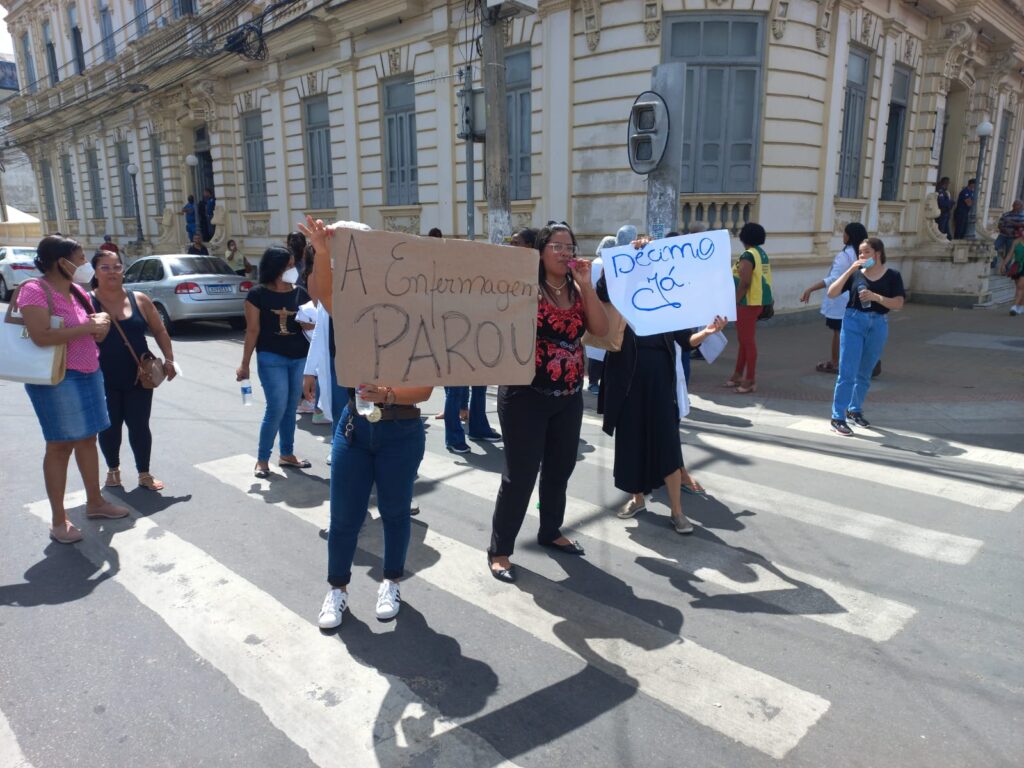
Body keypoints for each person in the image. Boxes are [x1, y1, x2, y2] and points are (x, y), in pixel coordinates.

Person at [300, 215, 434, 628]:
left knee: (395, 514)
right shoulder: (346, 305)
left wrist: (390, 393)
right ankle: (336, 590)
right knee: (343, 518)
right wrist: (323, 251)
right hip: (354, 429)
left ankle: (391, 582)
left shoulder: (415, 311)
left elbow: (426, 390)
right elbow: (319, 292)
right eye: (344, 258)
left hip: (402, 430)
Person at [486, 223, 609, 583]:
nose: (565, 252)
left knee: (559, 469)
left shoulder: (575, 288)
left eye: (569, 246)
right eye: (557, 246)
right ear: (540, 251)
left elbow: (600, 329)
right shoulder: (524, 288)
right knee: (519, 477)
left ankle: (550, 530)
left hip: (568, 398)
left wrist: (587, 285)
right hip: (526, 397)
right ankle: (500, 550)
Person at [598, 261, 727, 533]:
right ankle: (637, 499)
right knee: (631, 442)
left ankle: (677, 512)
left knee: (668, 445)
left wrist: (708, 332)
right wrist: (626, 258)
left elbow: (686, 340)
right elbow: (601, 290)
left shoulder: (668, 305)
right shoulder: (621, 296)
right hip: (627, 383)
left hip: (660, 383)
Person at [18, 235, 128, 544]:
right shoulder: (34, 290)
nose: (84, 264)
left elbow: (95, 334)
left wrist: (100, 322)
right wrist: (89, 327)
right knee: (59, 445)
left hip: (89, 372)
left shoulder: (78, 291)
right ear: (60, 261)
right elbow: (41, 335)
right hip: (57, 379)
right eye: (79, 258)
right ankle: (58, 520)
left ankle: (95, 502)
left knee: (87, 439)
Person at [90, 250, 177, 491]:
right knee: (109, 426)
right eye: (105, 267)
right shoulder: (87, 301)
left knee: (140, 425)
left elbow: (159, 330)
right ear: (95, 272)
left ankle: (144, 473)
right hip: (101, 377)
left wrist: (169, 359)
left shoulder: (139, 299)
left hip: (140, 375)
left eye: (117, 267)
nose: (112, 272)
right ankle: (113, 470)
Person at [235, 247, 312, 478]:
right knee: (276, 407)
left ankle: (286, 454)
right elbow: (252, 330)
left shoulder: (302, 293)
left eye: (293, 264)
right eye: (289, 265)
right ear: (277, 267)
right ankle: (262, 459)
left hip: (300, 357)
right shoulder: (257, 294)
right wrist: (244, 364)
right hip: (271, 358)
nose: (293, 269)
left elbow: (312, 326)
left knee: (290, 408)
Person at [827, 236, 905, 435]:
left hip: (878, 323)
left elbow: (898, 303)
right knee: (847, 371)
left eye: (866, 252)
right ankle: (838, 417)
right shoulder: (856, 275)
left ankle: (854, 410)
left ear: (877, 254)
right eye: (860, 252)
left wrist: (876, 297)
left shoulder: (893, 276)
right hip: (854, 321)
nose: (862, 256)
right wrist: (850, 270)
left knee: (865, 372)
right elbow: (831, 293)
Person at [800, 222, 868, 374]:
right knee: (856, 332)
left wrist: (811, 288)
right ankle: (862, 362)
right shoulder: (865, 255)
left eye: (844, 233)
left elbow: (833, 279)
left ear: (850, 236)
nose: (842, 236)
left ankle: (835, 362)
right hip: (859, 300)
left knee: (838, 332)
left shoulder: (844, 256)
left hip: (841, 301)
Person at [727, 223, 771, 394]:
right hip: (756, 302)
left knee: (747, 342)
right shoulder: (761, 253)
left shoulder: (748, 255)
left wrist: (734, 302)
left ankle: (750, 379)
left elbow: (745, 283)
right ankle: (737, 375)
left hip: (746, 303)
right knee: (744, 341)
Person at [585, 235, 617, 395]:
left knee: (595, 349)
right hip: (607, 308)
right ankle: (595, 382)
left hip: (593, 306)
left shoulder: (593, 264)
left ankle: (593, 381)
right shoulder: (606, 264)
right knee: (602, 349)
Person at [1000, 227, 1024, 315]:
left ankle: (1014, 307)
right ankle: (1021, 306)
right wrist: (1004, 264)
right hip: (1017, 266)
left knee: (1020, 286)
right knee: (1019, 287)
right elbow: (1010, 254)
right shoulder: (1016, 242)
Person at [994, 200, 1024, 265]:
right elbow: (999, 225)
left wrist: (1010, 221)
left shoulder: (1022, 215)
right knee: (994, 247)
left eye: (1017, 205)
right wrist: (1004, 230)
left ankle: (1006, 269)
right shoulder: (1006, 214)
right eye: (1014, 204)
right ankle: (993, 263)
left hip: (1013, 236)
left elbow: (1021, 225)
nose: (1014, 206)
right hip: (1003, 235)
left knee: (1009, 252)